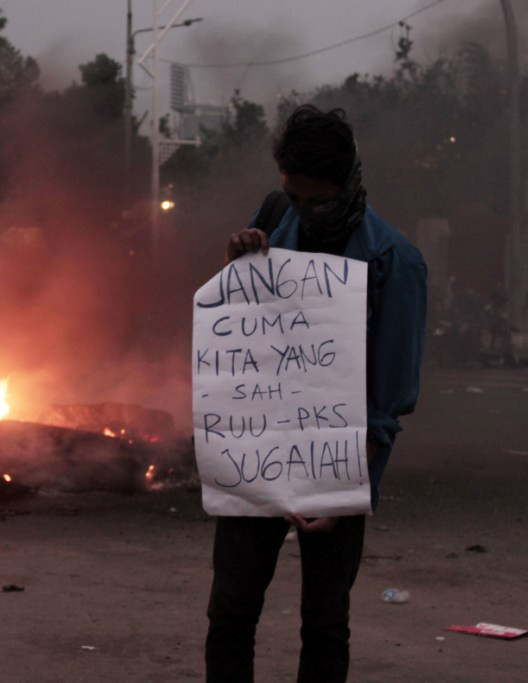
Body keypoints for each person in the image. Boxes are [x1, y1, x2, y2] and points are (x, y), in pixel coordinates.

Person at [209, 105, 427, 682]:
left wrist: (341, 490)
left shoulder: (392, 262)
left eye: (315, 201)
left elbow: (390, 398)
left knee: (324, 622)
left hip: (337, 463)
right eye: (293, 196)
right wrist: (240, 262)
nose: (302, 211)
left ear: (348, 181)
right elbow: (239, 331)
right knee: (230, 613)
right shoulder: (277, 214)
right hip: (257, 449)